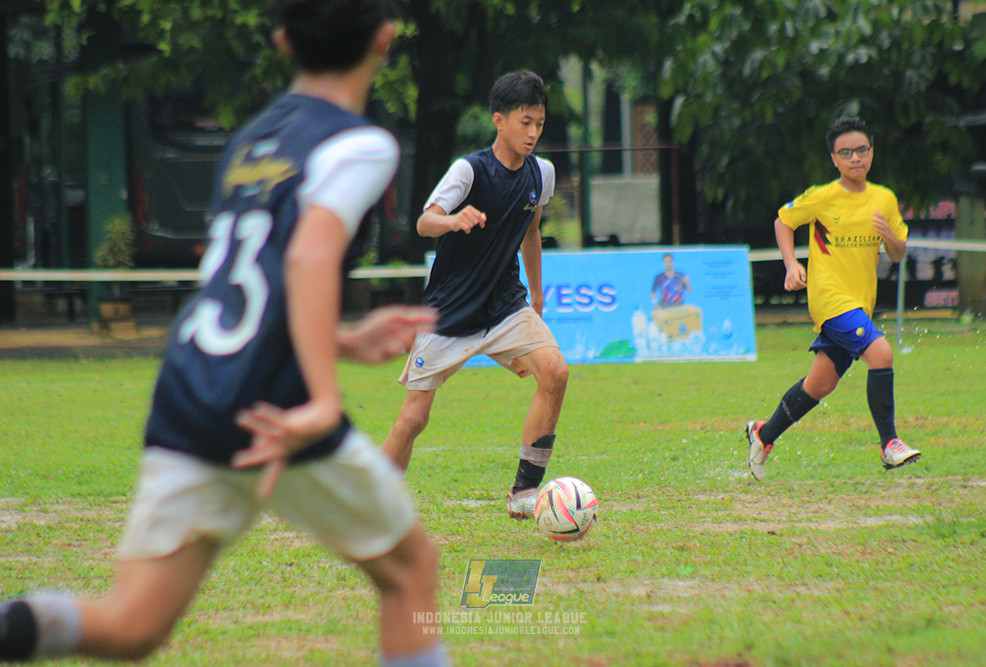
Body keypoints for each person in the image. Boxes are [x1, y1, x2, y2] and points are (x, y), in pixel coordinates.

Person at [0, 1, 449, 665]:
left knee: (131, 626)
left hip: (190, 389)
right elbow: (306, 257)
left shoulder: (248, 142)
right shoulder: (360, 142)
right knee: (411, 569)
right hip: (277, 409)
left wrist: (342, 339)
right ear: (386, 38)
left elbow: (250, 289)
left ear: (281, 40)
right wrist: (325, 401)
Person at [381, 70, 568, 520]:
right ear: (499, 120)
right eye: (525, 122)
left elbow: (531, 231)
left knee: (556, 373)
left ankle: (524, 492)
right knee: (413, 419)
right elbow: (426, 221)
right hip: (449, 313)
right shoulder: (469, 169)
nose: (533, 133)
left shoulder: (541, 173)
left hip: (504, 303)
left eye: (540, 124)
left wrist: (537, 293)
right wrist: (453, 220)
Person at [745, 116, 921, 480]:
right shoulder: (822, 196)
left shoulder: (884, 198)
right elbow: (783, 221)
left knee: (820, 385)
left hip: (859, 304)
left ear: (871, 153)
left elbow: (899, 252)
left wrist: (889, 234)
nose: (855, 158)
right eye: (846, 152)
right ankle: (890, 444)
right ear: (834, 159)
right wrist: (792, 265)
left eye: (862, 150)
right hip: (828, 299)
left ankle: (763, 434)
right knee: (882, 353)